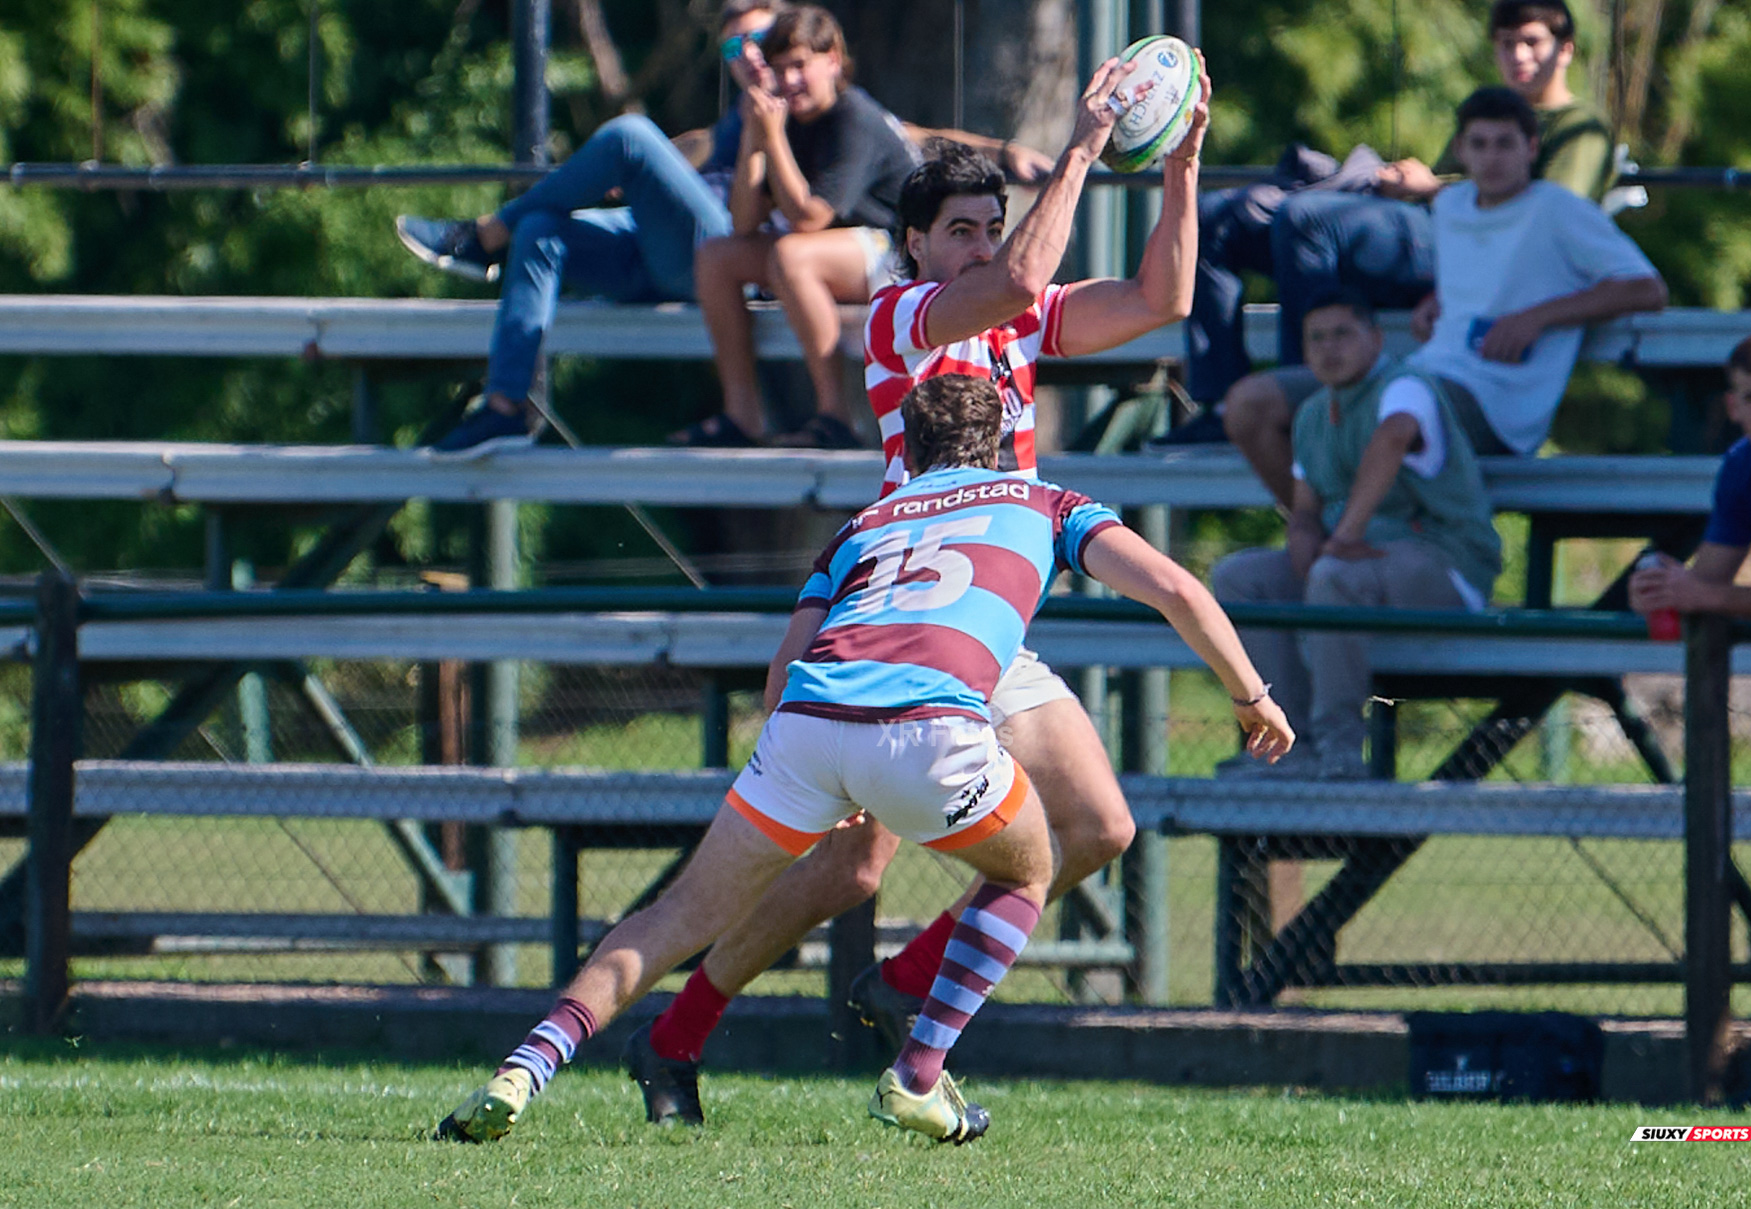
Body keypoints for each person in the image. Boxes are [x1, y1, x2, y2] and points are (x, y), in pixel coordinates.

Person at [435, 373, 1292, 1145]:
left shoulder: (865, 522)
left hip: (809, 720)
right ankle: (919, 1076)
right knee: (1031, 864)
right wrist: (1250, 694)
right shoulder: (1048, 501)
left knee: (673, 916)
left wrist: (826, 777)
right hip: (930, 724)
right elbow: (1178, 587)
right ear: (999, 442)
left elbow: (781, 671)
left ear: (906, 449)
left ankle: (523, 1068)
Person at [621, 53, 1213, 1126]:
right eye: (963, 231)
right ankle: (675, 1035)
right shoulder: (901, 314)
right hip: (902, 615)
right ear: (917, 244)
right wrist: (1081, 144)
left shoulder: (1011, 319)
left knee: (1100, 829)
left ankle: (900, 986)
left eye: (993, 227)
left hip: (984, 620)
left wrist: (1181, 162)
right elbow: (1025, 282)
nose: (982, 245)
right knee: (846, 872)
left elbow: (1162, 296)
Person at [397, 1, 1054, 457]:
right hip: (680, 246)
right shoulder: (755, 112)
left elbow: (895, 140)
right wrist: (686, 159)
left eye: (765, 46)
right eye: (738, 48)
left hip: (840, 248)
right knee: (543, 227)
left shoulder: (819, 107)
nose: (756, 61)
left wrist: (1000, 148)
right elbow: (715, 185)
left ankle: (484, 235)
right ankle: (505, 407)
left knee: (631, 137)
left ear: (820, 56)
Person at [1178, 0, 1619, 446]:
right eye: (1507, 44)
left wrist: (1428, 188)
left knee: (1306, 219)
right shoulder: (1492, 111)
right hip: (1432, 232)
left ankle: (1304, 404)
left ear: (1565, 50)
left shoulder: (1580, 127)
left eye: (1532, 42)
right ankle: (1219, 402)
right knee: (1215, 220)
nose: (1519, 56)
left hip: (1464, 251)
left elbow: (1534, 219)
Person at [1228, 85, 1664, 509]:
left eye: (1505, 144)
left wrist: (1537, 318)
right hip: (1425, 374)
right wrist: (1437, 298)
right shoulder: (1453, 205)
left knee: (1388, 415)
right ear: (1461, 148)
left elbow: (1647, 289)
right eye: (1480, 144)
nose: (1492, 158)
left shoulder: (1558, 209)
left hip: (1494, 406)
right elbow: (1484, 272)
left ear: (1531, 148)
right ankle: (1316, 529)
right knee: (1250, 405)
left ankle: (1348, 538)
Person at [1211, 292, 1501, 778]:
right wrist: (1303, 535)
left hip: (1446, 565)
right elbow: (1305, 507)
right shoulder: (1311, 414)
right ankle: (1285, 747)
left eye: (1343, 333)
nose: (1329, 348)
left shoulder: (1406, 386)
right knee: (1241, 577)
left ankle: (1340, 752)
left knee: (1333, 576)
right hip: (1356, 567)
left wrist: (1342, 538)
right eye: (1317, 338)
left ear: (1377, 339)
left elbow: (1393, 437)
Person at [1628, 333, 1751, 1109]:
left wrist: (1707, 597)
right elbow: (1711, 579)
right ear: (1733, 406)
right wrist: (1661, 587)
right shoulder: (1743, 469)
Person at [679, 6, 918, 450]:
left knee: (790, 254)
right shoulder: (784, 118)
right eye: (779, 68)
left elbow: (808, 218)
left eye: (800, 66)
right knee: (717, 257)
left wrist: (771, 140)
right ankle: (742, 415)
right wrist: (755, 134)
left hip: (904, 255)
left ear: (832, 60)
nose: (788, 81)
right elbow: (744, 222)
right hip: (838, 255)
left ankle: (835, 418)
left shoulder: (854, 119)